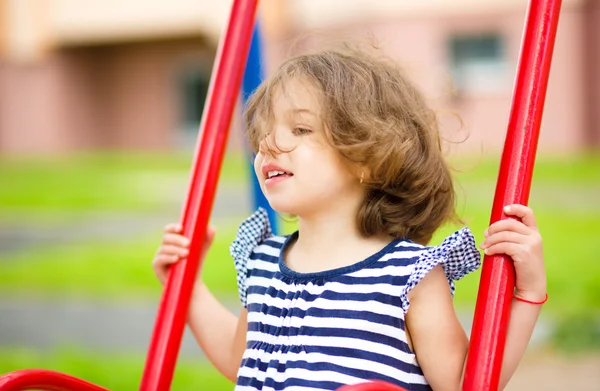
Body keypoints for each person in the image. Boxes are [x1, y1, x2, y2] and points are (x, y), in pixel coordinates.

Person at [152, 49, 547, 391]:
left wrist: (527, 293)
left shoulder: (408, 276)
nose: (269, 144)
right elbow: (241, 361)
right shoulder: (264, 264)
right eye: (262, 135)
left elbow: (466, 382)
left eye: (300, 128)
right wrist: (186, 287)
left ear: (368, 160)